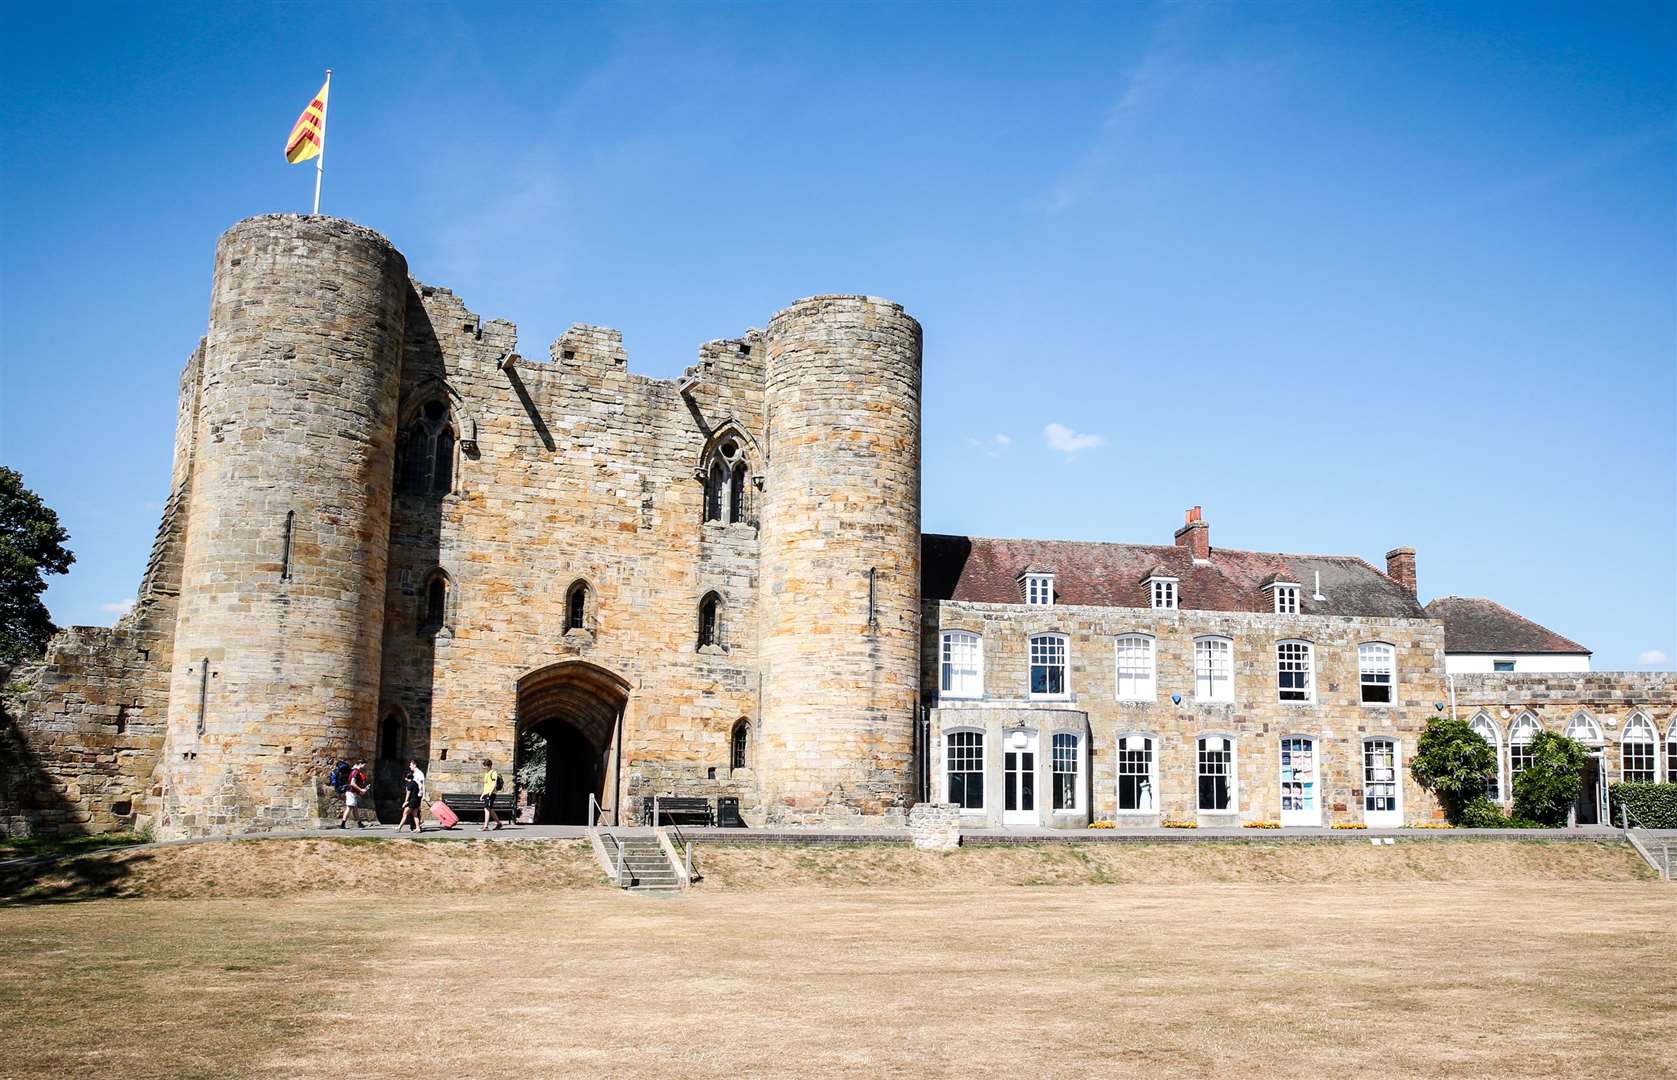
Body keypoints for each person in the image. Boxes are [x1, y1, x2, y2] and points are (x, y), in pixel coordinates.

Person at [339, 761, 370, 828]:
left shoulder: (355, 771)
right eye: (364, 765)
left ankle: (359, 823)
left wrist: (360, 791)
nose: (365, 767)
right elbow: (352, 783)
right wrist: (361, 790)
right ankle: (342, 824)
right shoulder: (355, 772)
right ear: (360, 764)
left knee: (355, 808)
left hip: (352, 792)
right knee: (349, 808)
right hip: (351, 792)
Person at [397, 765, 423, 833]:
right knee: (415, 815)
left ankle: (399, 827)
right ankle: (418, 828)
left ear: (406, 778)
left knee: (405, 814)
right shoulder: (416, 783)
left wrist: (405, 802)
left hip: (411, 801)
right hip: (417, 800)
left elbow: (408, 794)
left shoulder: (409, 784)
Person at [480, 758, 502, 831]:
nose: (484, 768)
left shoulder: (493, 773)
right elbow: (486, 785)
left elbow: (494, 784)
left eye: (485, 766)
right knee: (490, 809)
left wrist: (489, 793)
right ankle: (499, 824)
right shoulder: (487, 774)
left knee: (486, 808)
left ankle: (485, 826)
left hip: (491, 793)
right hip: (487, 793)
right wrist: (483, 794)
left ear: (488, 766)